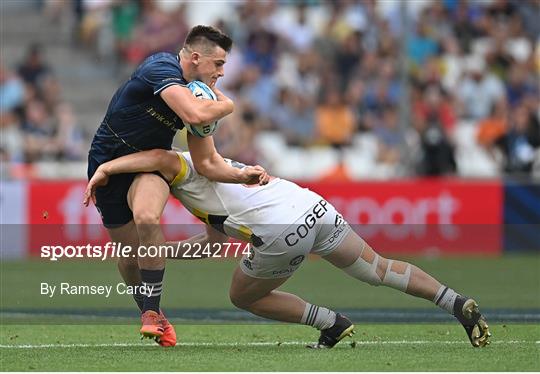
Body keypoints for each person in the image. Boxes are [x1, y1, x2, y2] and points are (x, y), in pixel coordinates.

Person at [84, 149, 491, 349]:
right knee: (379, 269)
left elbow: (158, 155)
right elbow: (212, 244)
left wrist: (107, 168)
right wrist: (161, 252)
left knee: (242, 296)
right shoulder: (209, 173)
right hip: (313, 207)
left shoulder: (178, 165)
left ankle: (330, 322)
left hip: (283, 232)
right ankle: (456, 303)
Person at [87, 25, 268, 347]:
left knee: (146, 217)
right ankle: (151, 309)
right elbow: (193, 113)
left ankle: (151, 314)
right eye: (219, 64)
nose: (222, 73)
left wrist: (243, 175)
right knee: (129, 256)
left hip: (150, 165)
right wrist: (229, 106)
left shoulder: (199, 93)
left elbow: (206, 162)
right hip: (107, 164)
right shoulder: (161, 68)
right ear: (196, 58)